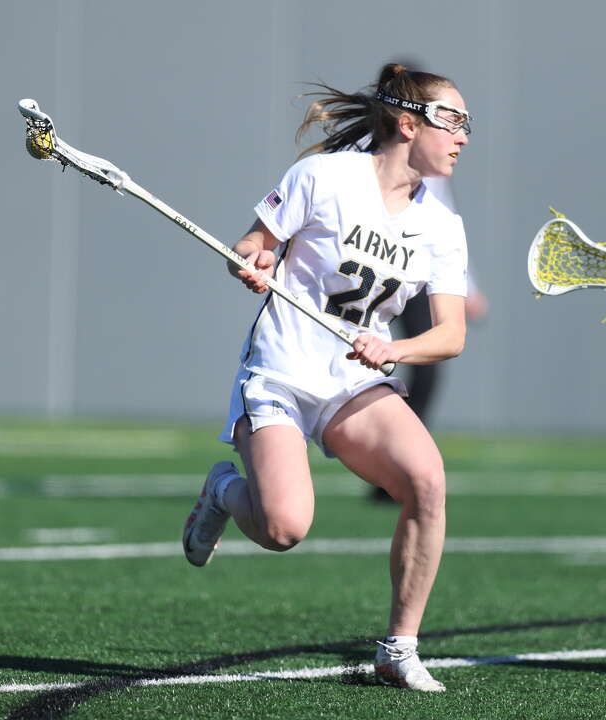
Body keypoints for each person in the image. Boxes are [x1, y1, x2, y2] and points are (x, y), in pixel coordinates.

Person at [182, 63, 472, 692]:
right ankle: (224, 491)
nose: (462, 137)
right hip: (283, 371)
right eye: (452, 120)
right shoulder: (323, 177)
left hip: (353, 382)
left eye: (466, 124)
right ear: (407, 123)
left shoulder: (442, 226)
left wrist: (395, 349)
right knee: (283, 528)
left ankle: (399, 649)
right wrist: (253, 262)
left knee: (426, 481)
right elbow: (251, 245)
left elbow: (451, 334)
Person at [369, 175, 489, 503]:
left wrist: (469, 287)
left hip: (416, 274)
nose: (458, 148)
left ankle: (399, 469)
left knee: (427, 369)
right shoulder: (354, 164)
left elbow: (444, 221)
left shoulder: (436, 183)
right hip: (367, 267)